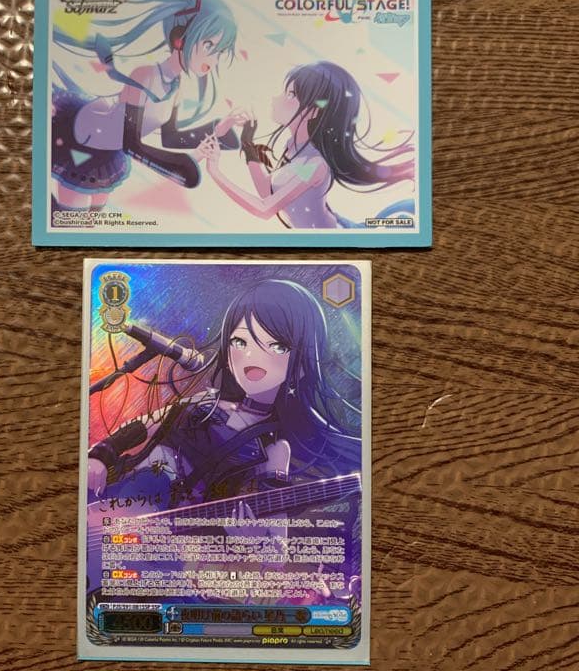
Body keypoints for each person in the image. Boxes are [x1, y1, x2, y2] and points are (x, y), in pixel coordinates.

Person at [87, 278, 361, 507]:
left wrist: (254, 537)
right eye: (240, 342)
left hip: (163, 532)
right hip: (111, 499)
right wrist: (100, 455)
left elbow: (276, 539)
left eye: (277, 346)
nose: (251, 356)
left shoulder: (275, 446)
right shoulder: (203, 401)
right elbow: (142, 426)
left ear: (303, 362)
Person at [51, 0, 247, 212]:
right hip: (81, 141)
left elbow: (170, 138)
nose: (213, 60)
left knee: (90, 221)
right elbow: (131, 144)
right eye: (208, 46)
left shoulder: (176, 85)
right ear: (179, 37)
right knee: (71, 219)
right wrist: (180, 166)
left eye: (219, 52)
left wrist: (220, 130)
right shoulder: (145, 76)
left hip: (107, 154)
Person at [201, 61, 415, 228]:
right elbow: (269, 193)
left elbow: (264, 209)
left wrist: (215, 172)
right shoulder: (294, 148)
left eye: (290, 94)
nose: (276, 99)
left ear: (313, 110)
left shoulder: (314, 164)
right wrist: (247, 143)